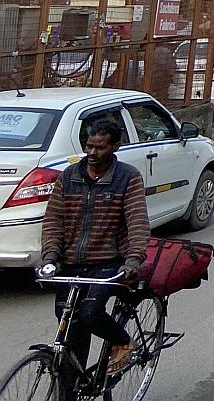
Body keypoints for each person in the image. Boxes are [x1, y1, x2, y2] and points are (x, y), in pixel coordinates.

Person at [37, 117, 149, 391]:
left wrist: (134, 259)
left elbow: (137, 221)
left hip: (108, 263)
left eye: (99, 148)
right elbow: (53, 220)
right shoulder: (69, 176)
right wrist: (50, 256)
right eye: (89, 146)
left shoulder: (127, 177)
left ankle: (123, 341)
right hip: (71, 263)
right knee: (69, 329)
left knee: (89, 314)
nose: (92, 153)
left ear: (115, 147)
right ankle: (69, 392)